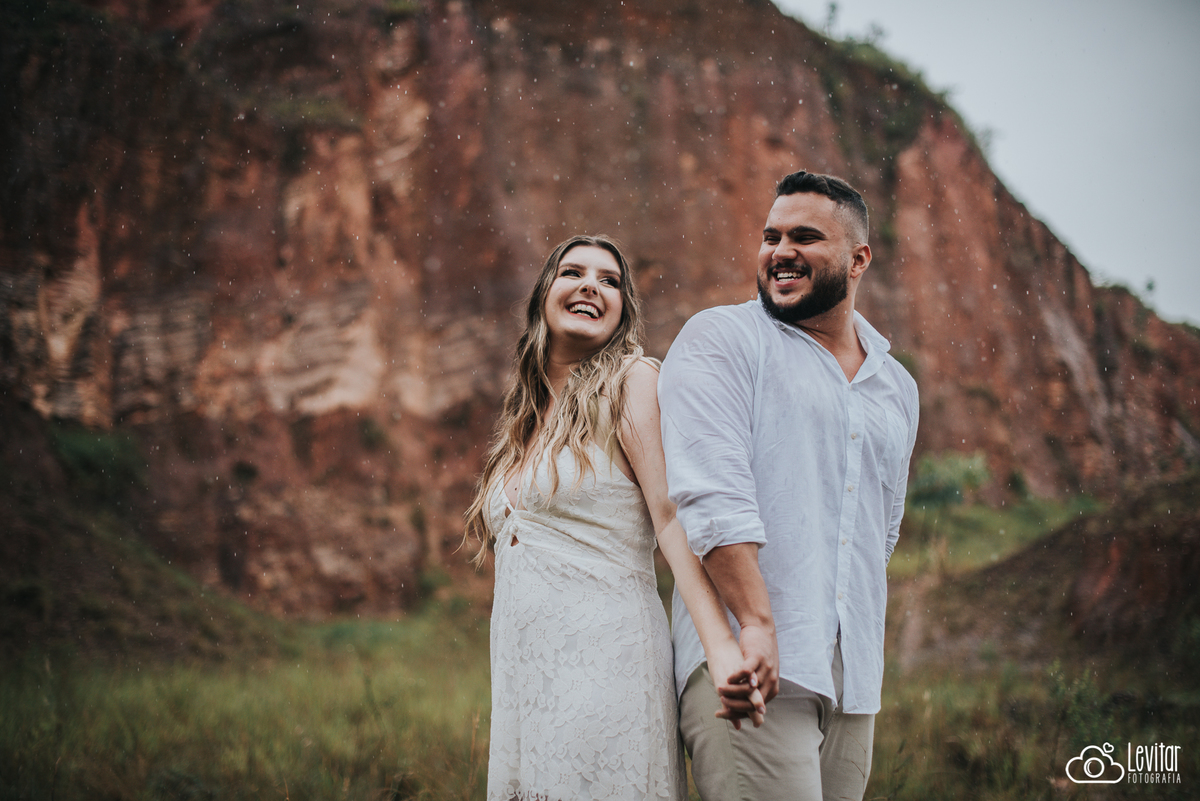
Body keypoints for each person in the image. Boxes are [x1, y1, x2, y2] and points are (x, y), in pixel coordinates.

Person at [464, 235, 764, 801]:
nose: (590, 286)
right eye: (572, 272)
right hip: (526, 685)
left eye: (609, 280)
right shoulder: (521, 423)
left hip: (608, 668)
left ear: (623, 309)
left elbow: (671, 520)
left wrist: (722, 646)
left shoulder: (631, 382)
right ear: (543, 297)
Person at [659, 171, 920, 801]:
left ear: (859, 259)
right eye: (771, 236)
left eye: (805, 237)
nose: (781, 252)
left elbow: (879, 530)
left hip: (854, 681)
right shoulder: (723, 339)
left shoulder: (897, 386)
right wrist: (757, 623)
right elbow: (710, 496)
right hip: (750, 667)